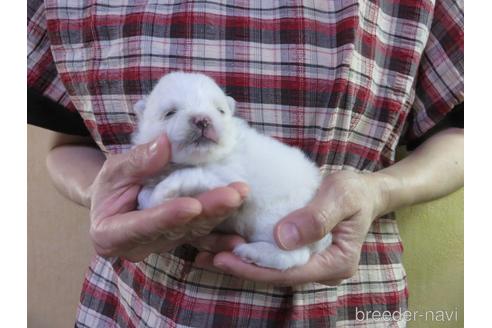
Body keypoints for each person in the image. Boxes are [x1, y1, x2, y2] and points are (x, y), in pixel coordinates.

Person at [28, 0, 463, 326]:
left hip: (343, 305)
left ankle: (286, 253)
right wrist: (104, 195)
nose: (200, 120)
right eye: (169, 114)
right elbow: (68, 145)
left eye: (217, 112)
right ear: (140, 117)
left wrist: (379, 190)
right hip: (141, 307)